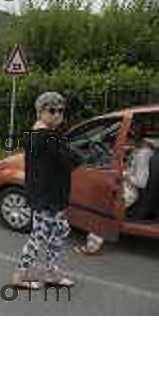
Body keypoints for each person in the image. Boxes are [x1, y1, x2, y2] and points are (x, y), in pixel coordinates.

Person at [12, 92, 85, 290]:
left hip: (42, 194)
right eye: (52, 110)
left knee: (59, 229)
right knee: (39, 234)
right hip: (49, 198)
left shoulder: (34, 134)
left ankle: (51, 272)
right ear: (40, 112)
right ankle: (21, 275)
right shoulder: (49, 137)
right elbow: (73, 160)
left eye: (61, 110)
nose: (58, 114)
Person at [73, 122, 155, 256]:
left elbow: (141, 182)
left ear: (133, 137)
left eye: (127, 137)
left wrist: (123, 174)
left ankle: (92, 247)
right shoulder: (140, 149)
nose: (125, 141)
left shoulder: (143, 155)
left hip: (130, 191)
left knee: (103, 210)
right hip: (125, 185)